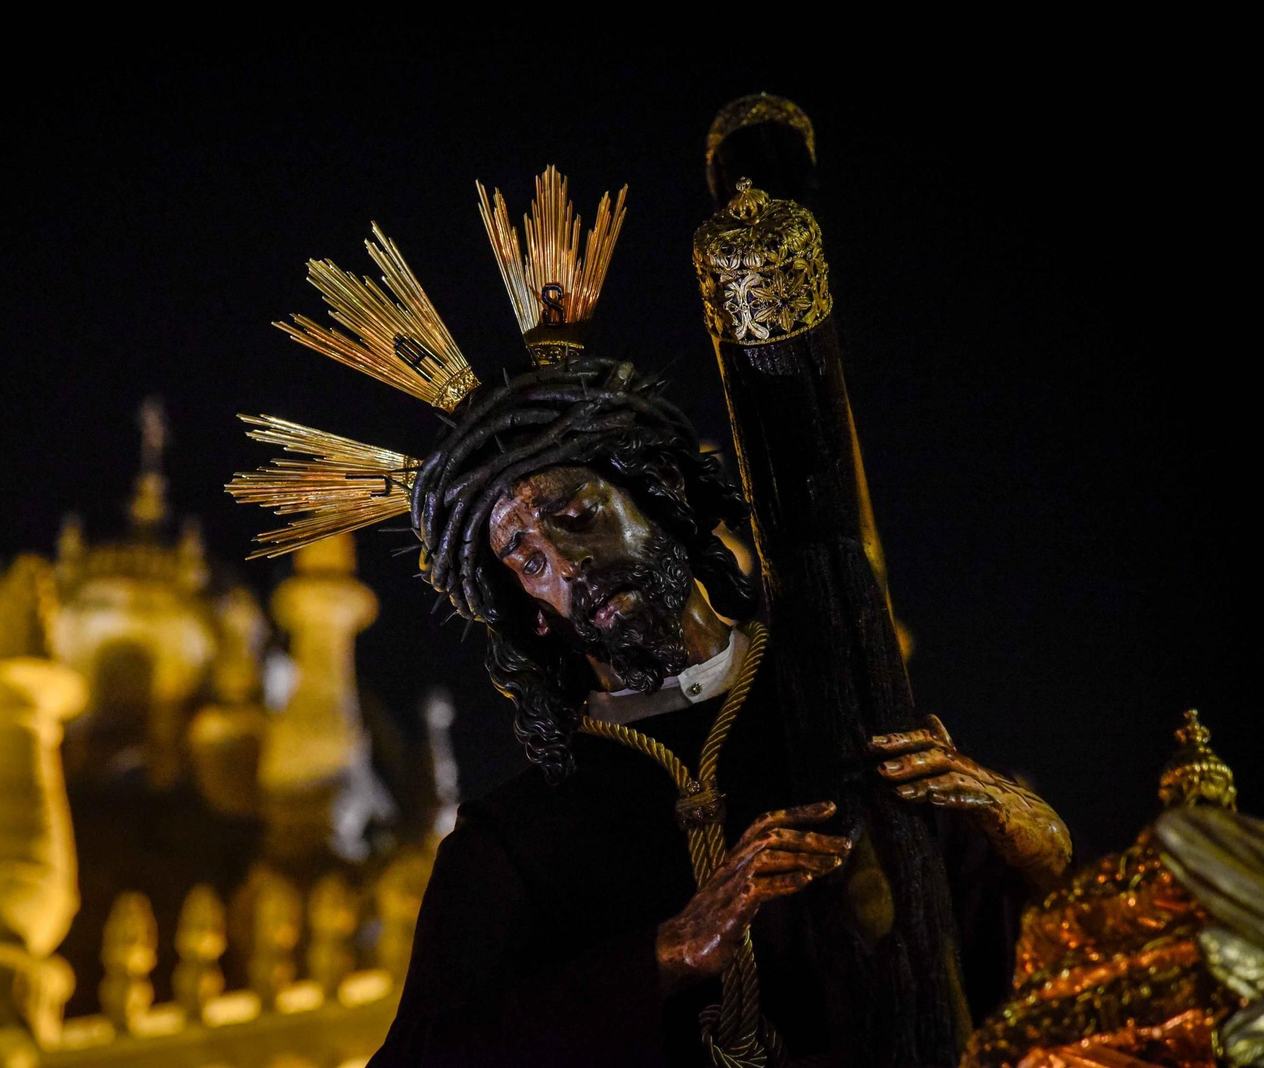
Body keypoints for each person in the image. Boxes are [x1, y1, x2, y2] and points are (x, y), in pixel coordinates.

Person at [228, 169, 1071, 1068]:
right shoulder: (520, 841)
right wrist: (664, 953)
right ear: (532, 614)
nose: (567, 564)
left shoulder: (839, 720)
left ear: (658, 496)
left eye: (577, 515)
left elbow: (997, 975)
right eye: (528, 560)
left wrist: (1031, 846)